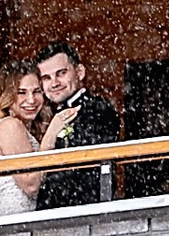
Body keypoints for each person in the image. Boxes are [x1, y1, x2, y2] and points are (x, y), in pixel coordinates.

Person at [33, 40, 121, 209]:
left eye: (61, 73)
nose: (54, 83)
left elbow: (87, 170)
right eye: (46, 78)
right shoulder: (45, 117)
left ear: (79, 72)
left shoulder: (98, 109)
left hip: (82, 212)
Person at [0, 61, 50, 217]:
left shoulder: (21, 127)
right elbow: (30, 184)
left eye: (37, 91)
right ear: (7, 96)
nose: (31, 100)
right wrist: (51, 136)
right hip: (14, 222)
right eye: (21, 92)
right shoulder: (10, 126)